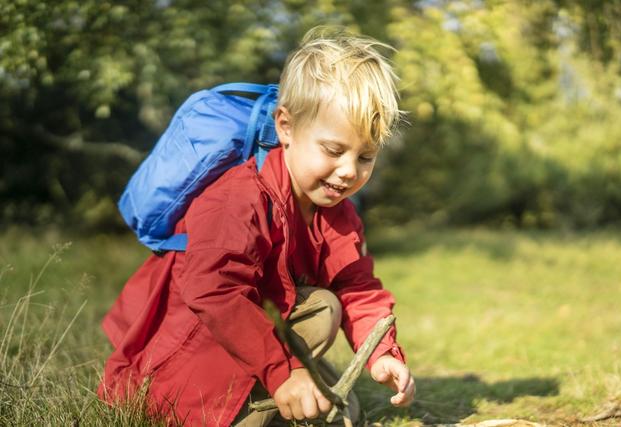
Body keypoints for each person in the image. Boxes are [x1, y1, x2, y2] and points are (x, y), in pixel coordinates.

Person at [99, 27, 416, 426]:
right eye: (334, 151)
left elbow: (356, 286)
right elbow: (214, 290)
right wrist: (283, 372)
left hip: (254, 344)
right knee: (320, 312)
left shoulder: (337, 213)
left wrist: (382, 353)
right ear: (286, 127)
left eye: (366, 157)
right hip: (187, 361)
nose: (349, 172)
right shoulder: (238, 197)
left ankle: (278, 395)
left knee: (342, 412)